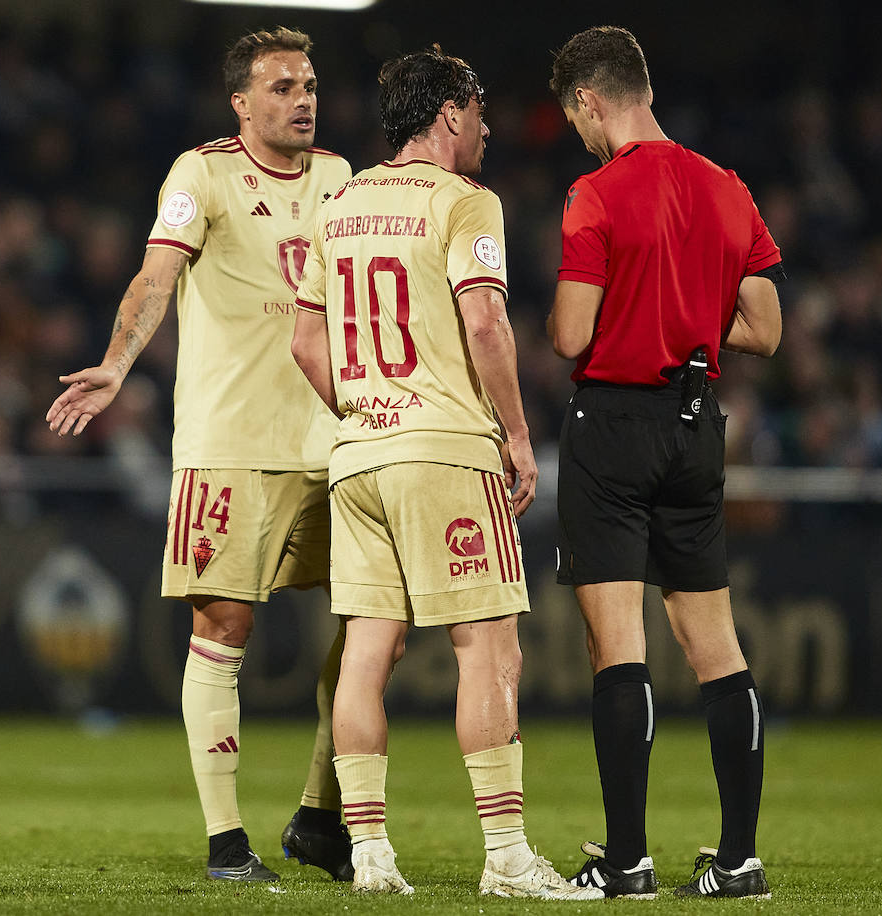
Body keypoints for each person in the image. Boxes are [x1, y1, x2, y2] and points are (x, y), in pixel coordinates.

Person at [289, 46, 602, 901]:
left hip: (358, 458)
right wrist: (516, 433)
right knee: (490, 649)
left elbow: (305, 342)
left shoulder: (340, 202)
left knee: (364, 654)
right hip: (445, 451)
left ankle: (371, 854)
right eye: (483, 110)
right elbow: (489, 324)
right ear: (452, 112)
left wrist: (362, 410)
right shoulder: (466, 202)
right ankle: (505, 857)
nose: (491, 127)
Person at [45, 27, 355, 884]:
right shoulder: (202, 173)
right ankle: (227, 841)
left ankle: (319, 815)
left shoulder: (339, 179)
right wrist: (115, 363)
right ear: (242, 102)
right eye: (283, 85)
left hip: (335, 441)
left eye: (311, 84)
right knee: (226, 626)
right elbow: (154, 277)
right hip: (230, 443)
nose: (303, 99)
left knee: (372, 628)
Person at [545, 26, 784, 900]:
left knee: (620, 649)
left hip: (613, 424)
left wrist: (635, 309)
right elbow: (764, 329)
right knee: (718, 650)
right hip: (696, 424)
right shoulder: (727, 188)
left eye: (574, 116)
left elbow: (572, 332)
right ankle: (739, 860)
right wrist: (685, 310)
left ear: (589, 102)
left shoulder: (595, 194)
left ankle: (628, 861)